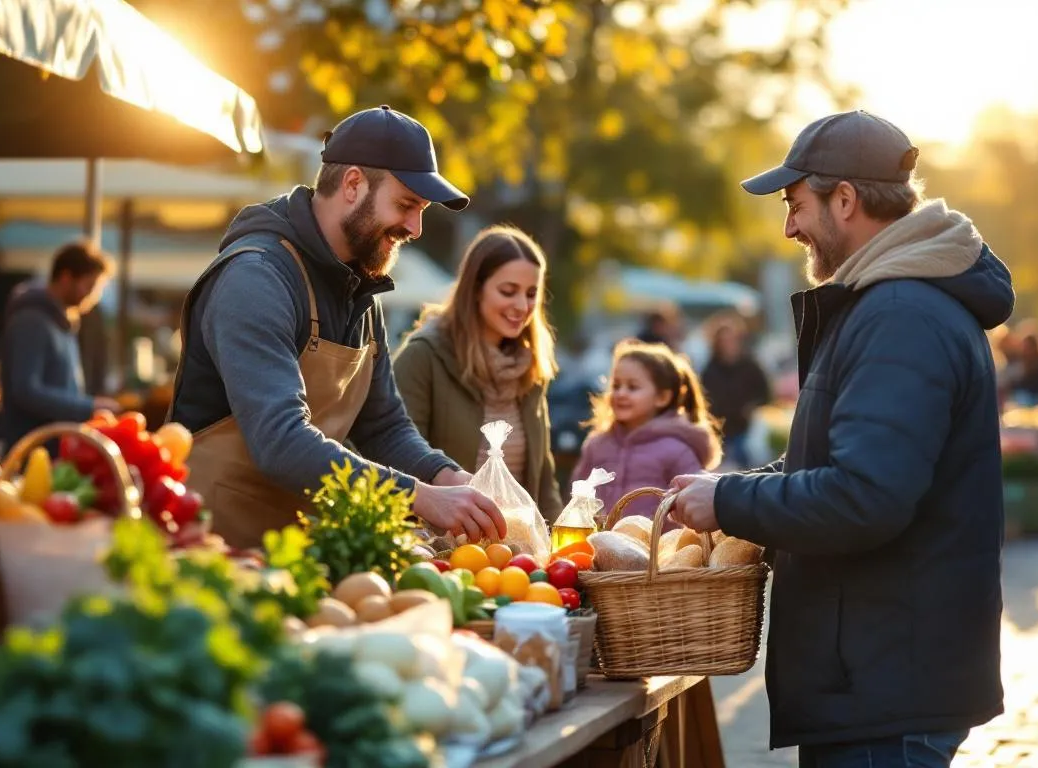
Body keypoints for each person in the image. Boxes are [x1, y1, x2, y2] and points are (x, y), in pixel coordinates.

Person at [667, 110, 1014, 766]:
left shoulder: (901, 315)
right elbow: (838, 460)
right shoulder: (886, 305)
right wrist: (735, 488)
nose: (790, 226)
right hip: (876, 677)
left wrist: (732, 504)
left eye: (796, 204)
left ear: (846, 200)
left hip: (887, 685)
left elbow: (866, 496)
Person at [167, 105, 504, 549]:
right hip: (208, 546)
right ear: (352, 184)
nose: (416, 228)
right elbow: (281, 442)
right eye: (406, 205)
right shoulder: (256, 278)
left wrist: (451, 477)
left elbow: (383, 427)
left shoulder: (359, 289)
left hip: (292, 552)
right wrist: (419, 497)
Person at [392, 225, 563, 520]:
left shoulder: (529, 367)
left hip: (518, 556)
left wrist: (563, 549)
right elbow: (398, 455)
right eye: (508, 291)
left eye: (531, 293)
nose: (522, 306)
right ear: (475, 290)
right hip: (440, 551)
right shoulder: (423, 356)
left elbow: (544, 482)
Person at [572, 341, 721, 526]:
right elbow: (575, 496)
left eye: (632, 387)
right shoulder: (597, 445)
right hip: (599, 549)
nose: (621, 393)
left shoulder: (676, 449)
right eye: (616, 385)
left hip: (658, 551)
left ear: (662, 398)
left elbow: (697, 502)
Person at [0, 240, 120, 449]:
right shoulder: (31, 322)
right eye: (89, 286)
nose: (93, 296)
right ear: (65, 278)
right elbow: (26, 390)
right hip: (33, 451)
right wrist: (88, 406)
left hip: (54, 448)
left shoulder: (62, 323)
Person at [700, 318, 771, 468]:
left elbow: (765, 393)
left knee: (751, 466)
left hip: (746, 428)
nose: (728, 344)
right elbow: (704, 399)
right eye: (723, 341)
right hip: (721, 431)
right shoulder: (710, 370)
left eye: (731, 340)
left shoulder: (750, 366)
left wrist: (752, 407)